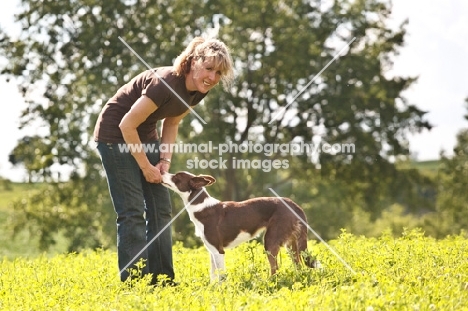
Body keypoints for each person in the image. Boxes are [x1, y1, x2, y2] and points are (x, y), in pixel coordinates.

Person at [93, 37, 234, 286]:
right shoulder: (165, 83)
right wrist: (146, 166)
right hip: (115, 136)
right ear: (192, 62)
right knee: (132, 211)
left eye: (218, 73)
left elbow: (172, 122)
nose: (212, 78)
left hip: (145, 136)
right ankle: (134, 283)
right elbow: (126, 124)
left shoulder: (197, 91)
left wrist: (164, 162)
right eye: (209, 69)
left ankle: (162, 281)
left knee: (161, 209)